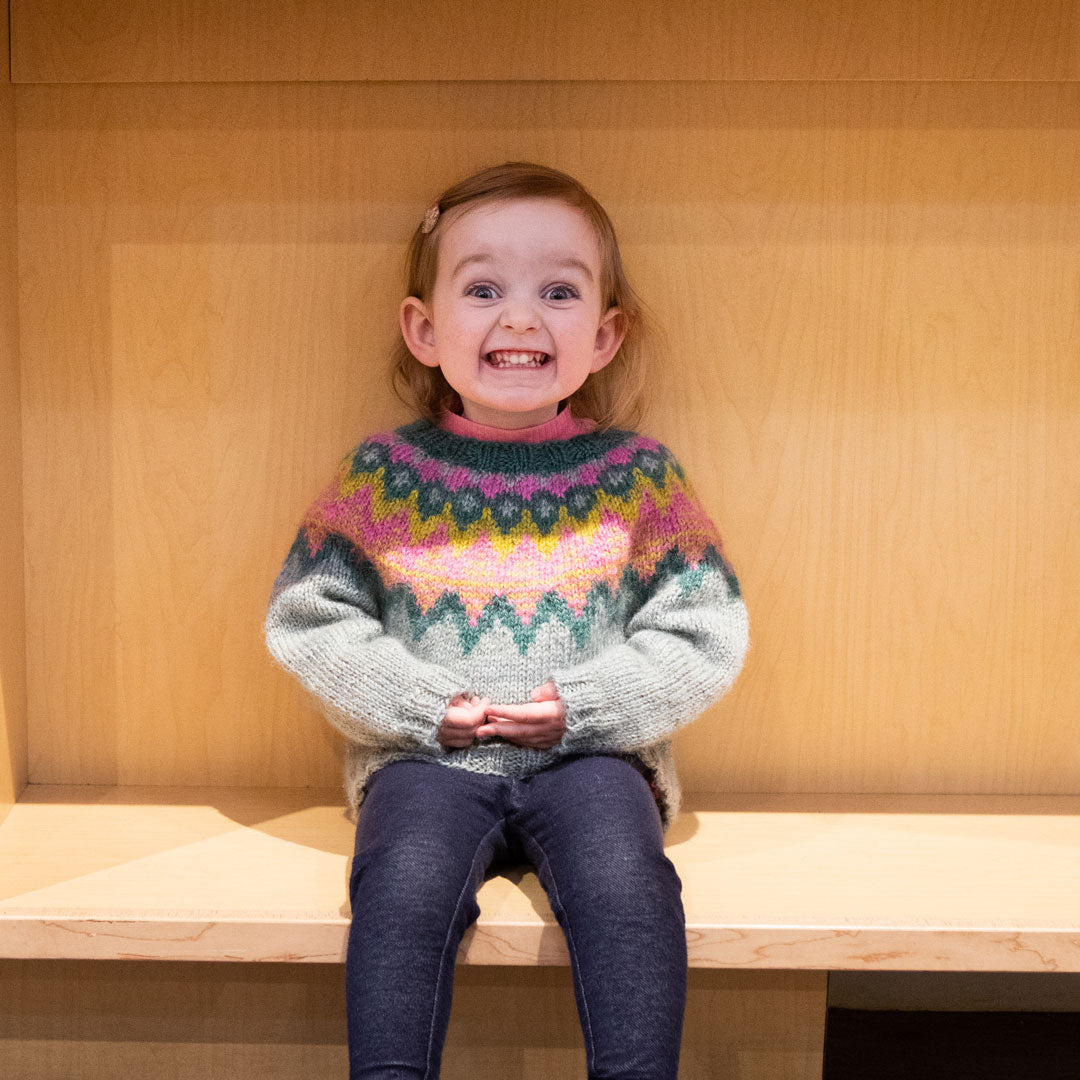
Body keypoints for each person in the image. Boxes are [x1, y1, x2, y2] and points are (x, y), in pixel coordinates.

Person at [263, 160, 750, 1080]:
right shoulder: (383, 475)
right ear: (424, 328)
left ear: (605, 336)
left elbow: (703, 625)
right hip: (425, 763)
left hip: (593, 761)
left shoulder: (636, 477)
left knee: (628, 886)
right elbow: (310, 617)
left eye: (558, 292)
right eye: (483, 288)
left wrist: (587, 704)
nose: (521, 318)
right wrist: (419, 702)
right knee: (399, 887)